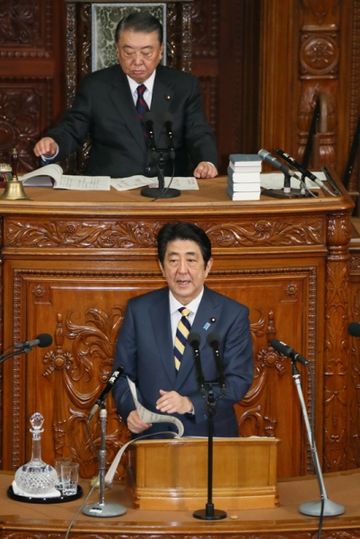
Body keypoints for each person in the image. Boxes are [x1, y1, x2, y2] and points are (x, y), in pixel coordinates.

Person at [33, 12, 218, 180]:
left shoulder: (183, 86)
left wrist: (206, 161)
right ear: (117, 50)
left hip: (168, 190)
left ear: (161, 51)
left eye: (146, 52)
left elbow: (198, 132)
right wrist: (53, 144)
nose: (137, 61)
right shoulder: (96, 86)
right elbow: (73, 128)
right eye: (128, 52)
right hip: (111, 193)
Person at [112, 222, 253, 437]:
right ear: (161, 266)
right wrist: (130, 410)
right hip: (152, 437)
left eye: (191, 260)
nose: (182, 270)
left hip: (209, 440)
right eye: (173, 260)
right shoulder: (139, 310)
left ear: (208, 266)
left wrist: (190, 402)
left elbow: (237, 380)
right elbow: (119, 374)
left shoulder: (232, 315)